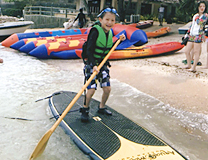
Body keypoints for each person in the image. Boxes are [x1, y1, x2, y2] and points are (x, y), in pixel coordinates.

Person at [80, 7, 125, 122]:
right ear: (100, 19)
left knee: (107, 88)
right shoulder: (95, 31)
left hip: (103, 64)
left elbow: (109, 47)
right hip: (91, 64)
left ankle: (102, 107)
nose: (109, 23)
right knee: (91, 90)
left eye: (112, 20)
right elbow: (89, 50)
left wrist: (119, 40)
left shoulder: (110, 33)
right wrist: (93, 65)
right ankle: (85, 109)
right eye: (107, 19)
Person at [184, 1, 208, 72]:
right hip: (192, 34)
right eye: (200, 6)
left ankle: (194, 67)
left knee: (196, 52)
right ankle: (189, 64)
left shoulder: (205, 15)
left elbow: (199, 22)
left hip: (198, 35)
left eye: (203, 6)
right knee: (187, 51)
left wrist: (197, 17)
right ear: (198, 7)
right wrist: (187, 34)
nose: (202, 8)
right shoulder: (195, 15)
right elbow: (192, 25)